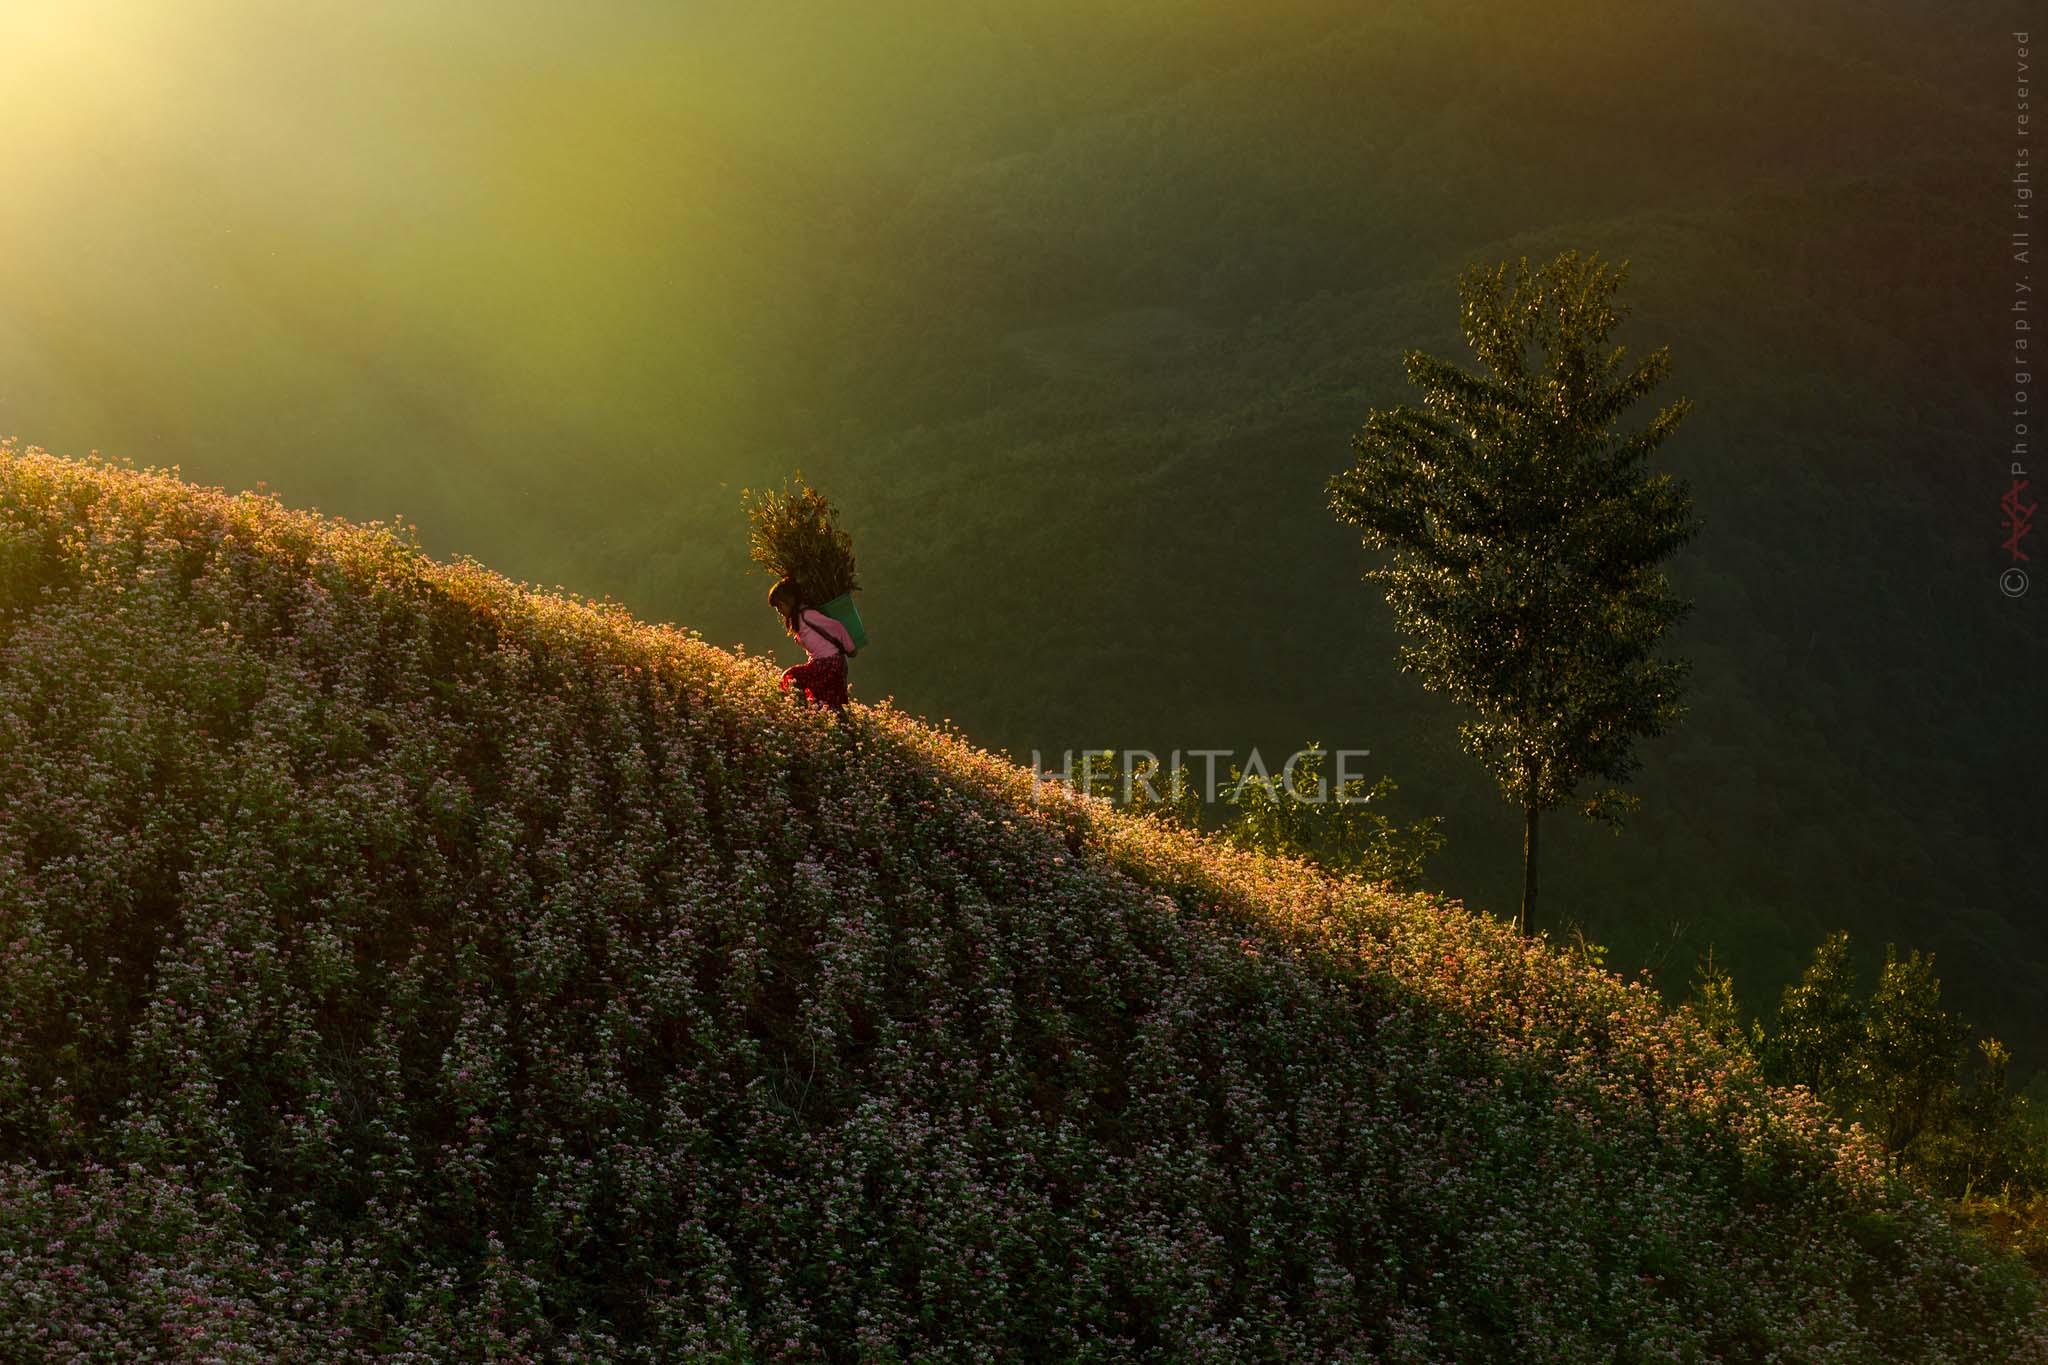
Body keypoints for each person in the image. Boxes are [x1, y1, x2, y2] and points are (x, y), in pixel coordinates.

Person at [769, 578, 855, 711]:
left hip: (829, 663)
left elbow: (836, 627)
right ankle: (815, 721)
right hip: (826, 663)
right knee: (828, 705)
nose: (779, 610)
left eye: (780, 605)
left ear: (791, 600)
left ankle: (798, 713)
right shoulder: (799, 619)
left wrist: (851, 648)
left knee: (792, 677)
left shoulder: (807, 615)